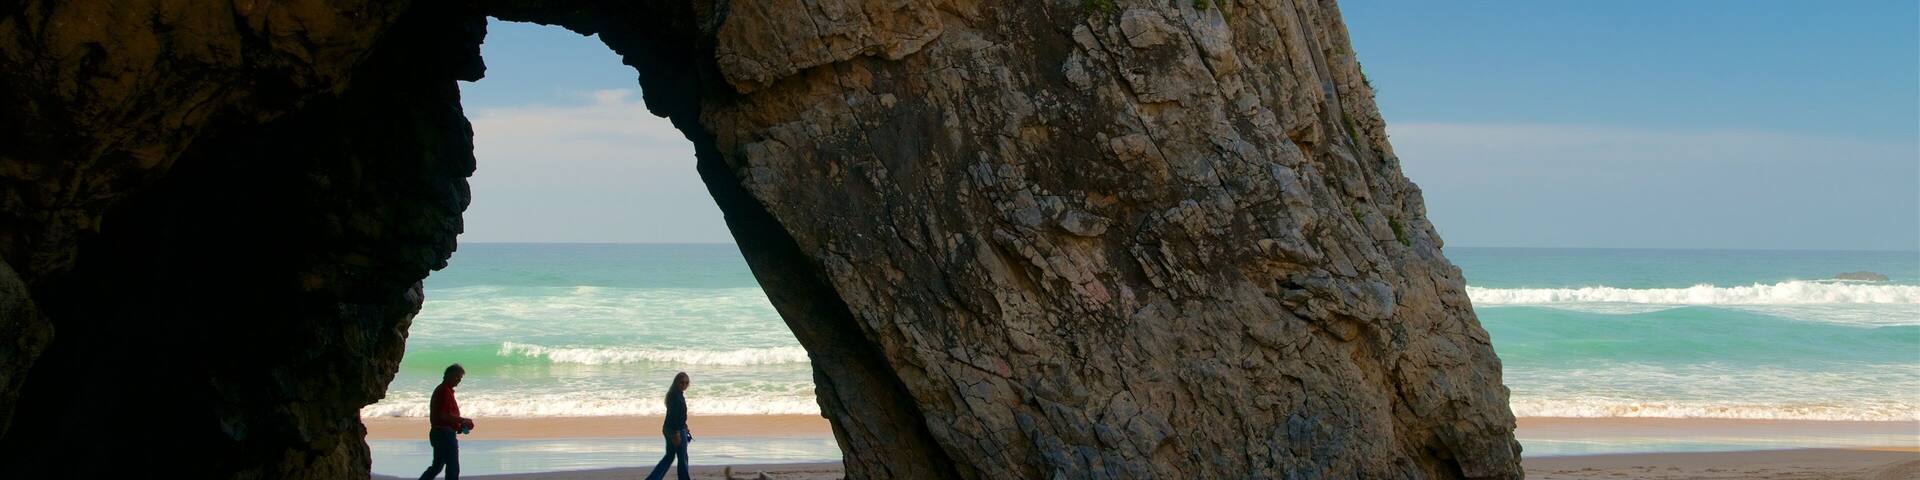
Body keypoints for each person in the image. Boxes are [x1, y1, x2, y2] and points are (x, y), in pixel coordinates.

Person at [420, 364, 475, 480]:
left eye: (460, 378)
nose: (458, 380)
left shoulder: (446, 390)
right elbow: (444, 415)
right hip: (444, 434)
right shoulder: (443, 391)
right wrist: (463, 420)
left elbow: (445, 415)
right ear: (447, 375)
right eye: (457, 377)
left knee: (437, 466)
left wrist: (459, 426)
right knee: (452, 468)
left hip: (440, 432)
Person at [644, 372, 693, 480]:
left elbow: (678, 415)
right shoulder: (675, 396)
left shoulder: (676, 394)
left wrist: (685, 426)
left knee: (670, 456)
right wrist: (676, 433)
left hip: (671, 428)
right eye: (682, 382)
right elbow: (673, 415)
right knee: (682, 457)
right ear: (677, 382)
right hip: (675, 430)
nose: (684, 385)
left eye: (686, 383)